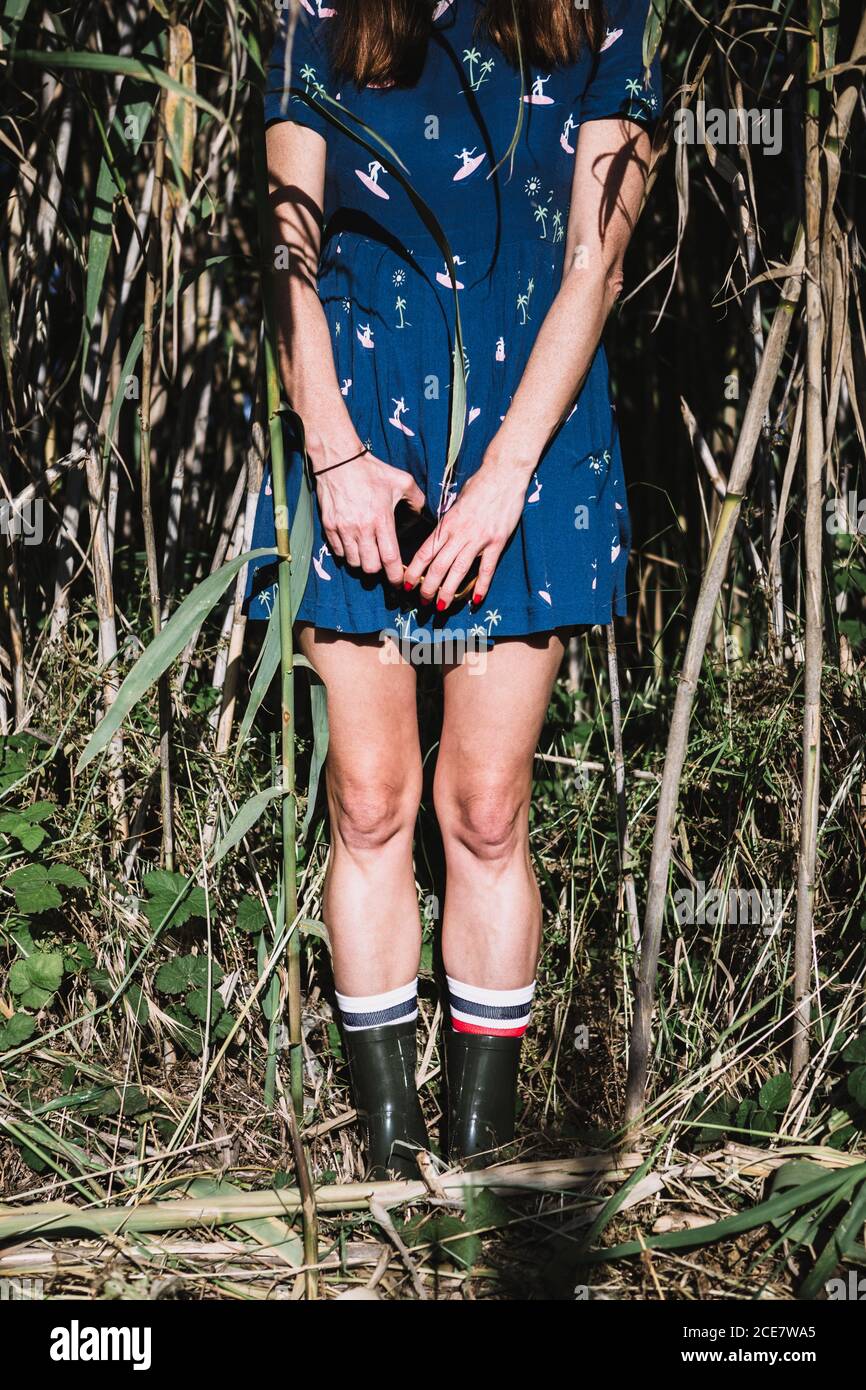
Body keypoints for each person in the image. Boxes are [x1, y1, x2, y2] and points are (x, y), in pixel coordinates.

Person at [247, 0, 662, 1174]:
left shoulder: (604, 18)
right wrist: (329, 452)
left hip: (530, 448)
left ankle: (484, 1151)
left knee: (484, 807)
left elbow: (596, 258)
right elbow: (285, 248)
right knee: (368, 797)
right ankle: (388, 1145)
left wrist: (499, 485)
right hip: (355, 439)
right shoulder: (312, 17)